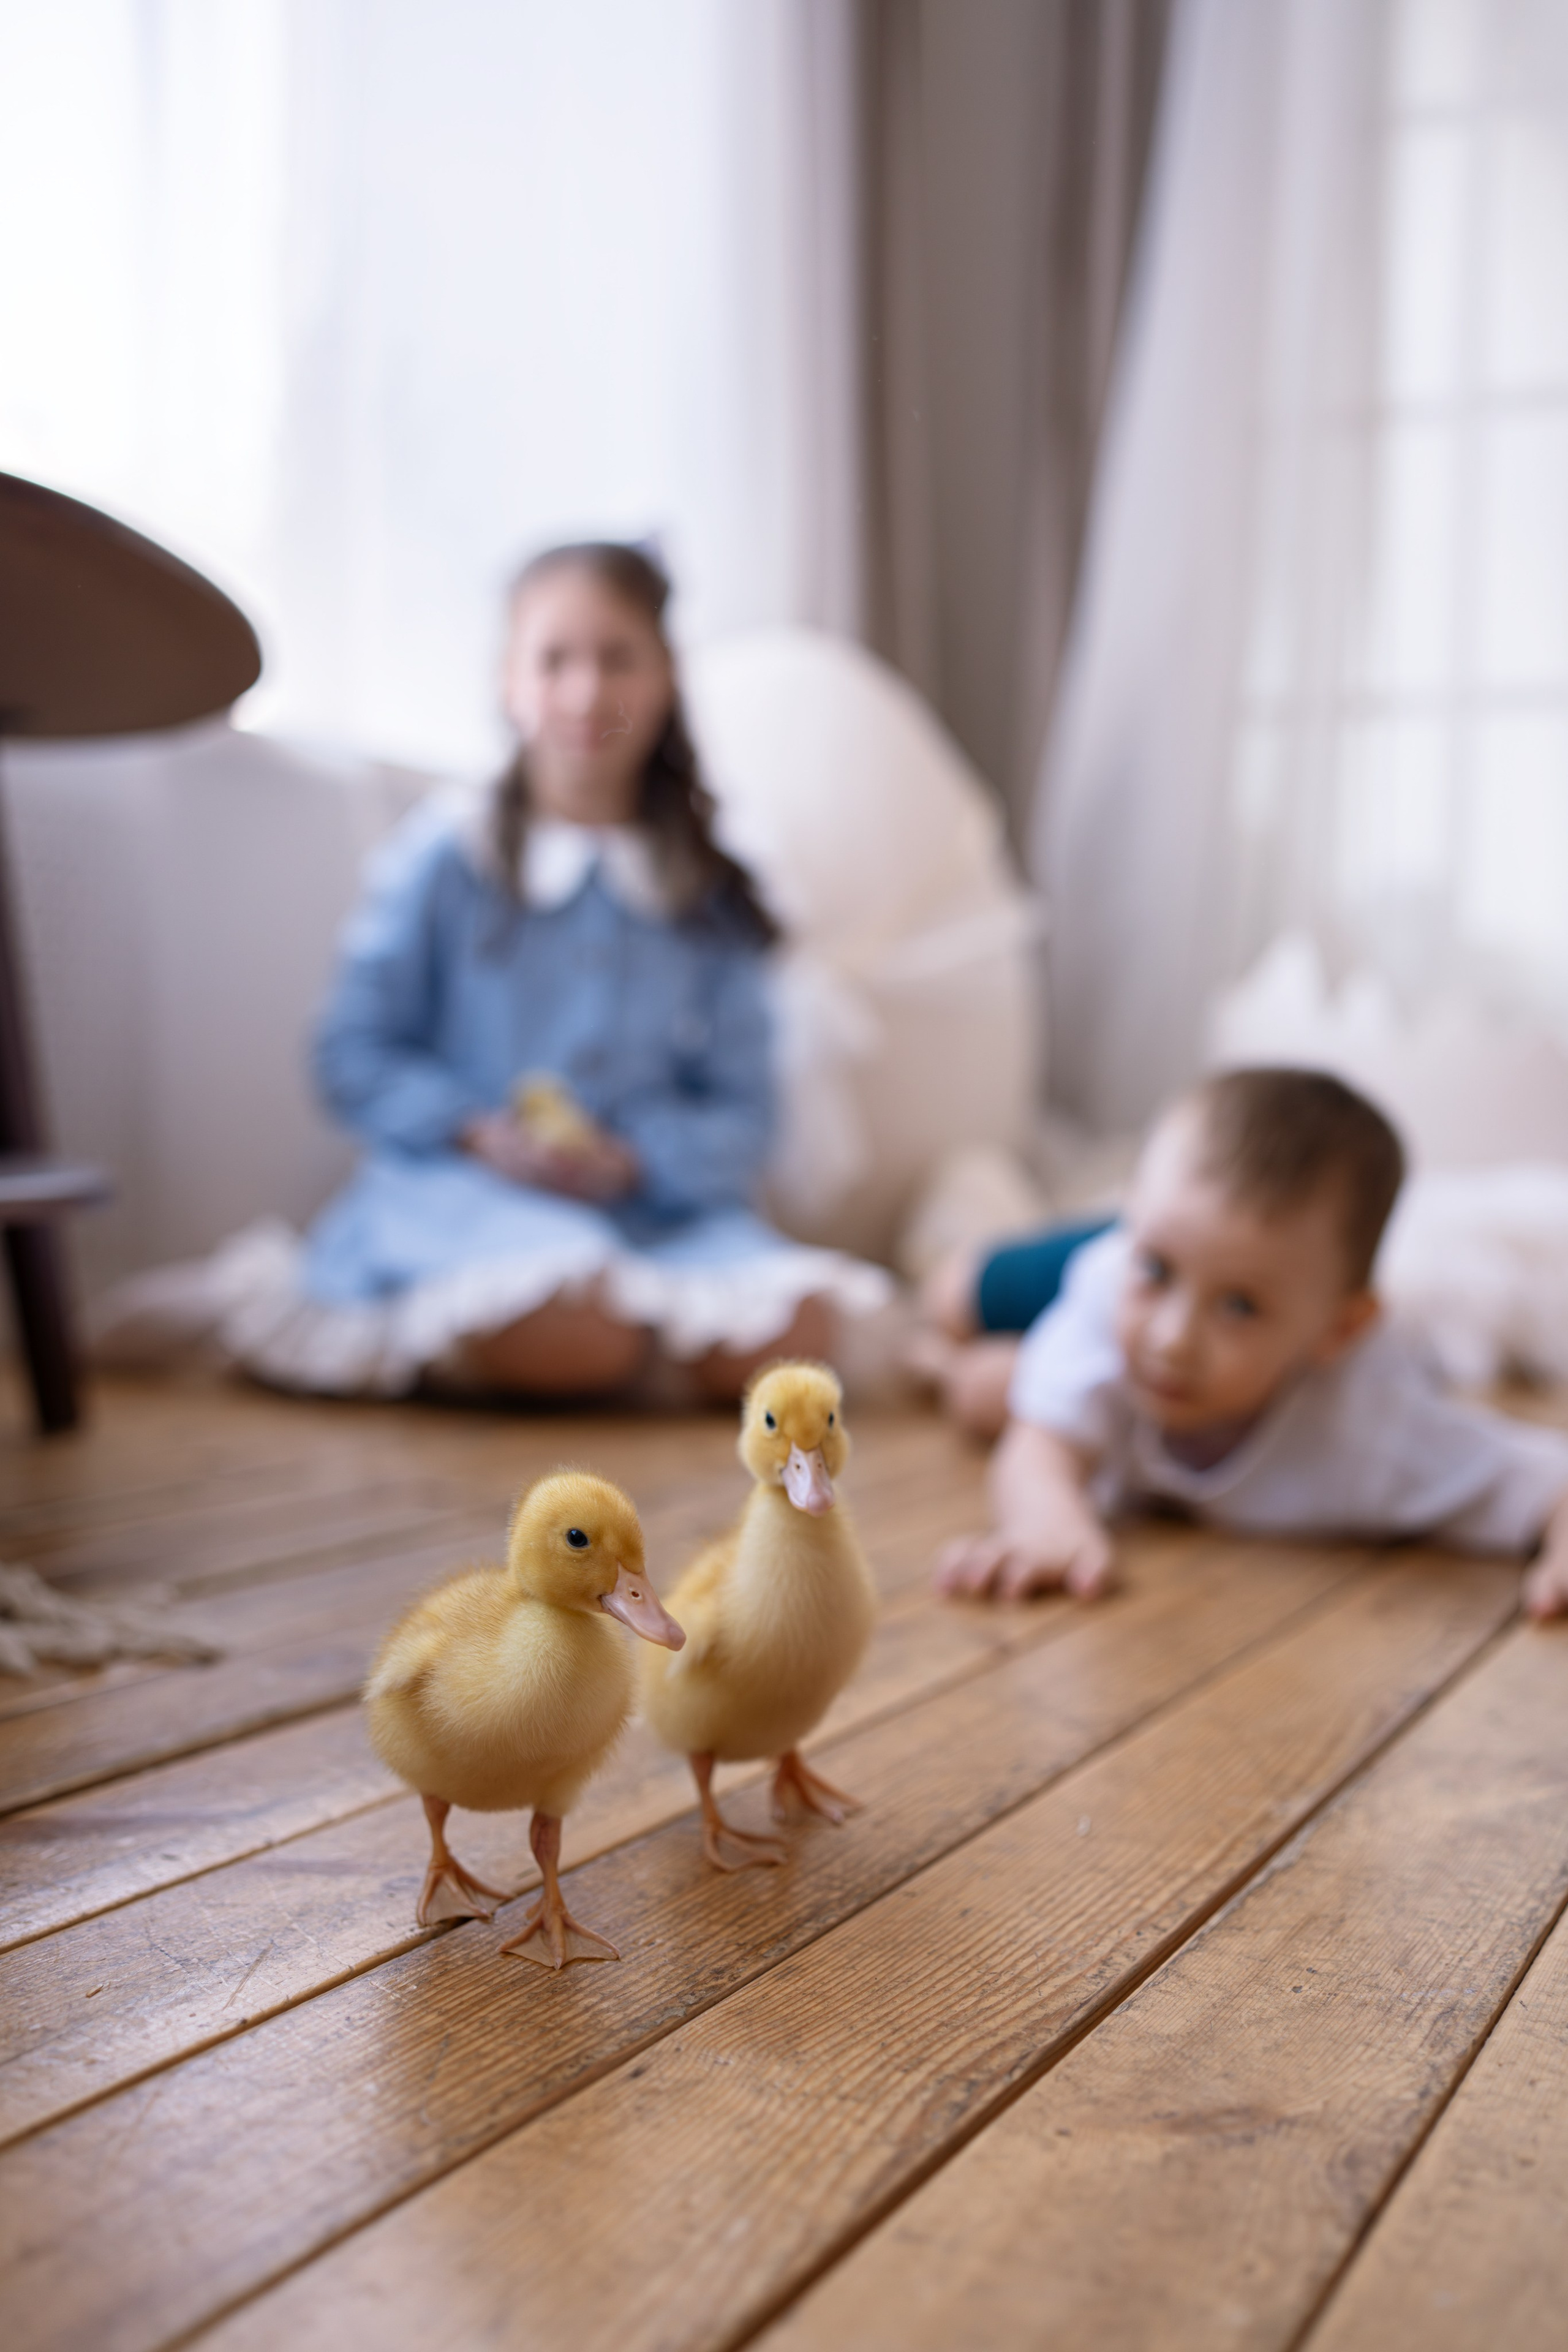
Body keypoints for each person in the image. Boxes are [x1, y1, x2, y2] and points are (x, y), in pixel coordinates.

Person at [297, 540, 887, 1401]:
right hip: (466, 1198)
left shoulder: (708, 894)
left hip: (660, 1214)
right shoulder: (446, 858)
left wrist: (637, 1160)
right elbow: (351, 1052)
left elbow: (744, 1113)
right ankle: (585, 1351)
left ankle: (625, 1348)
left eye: (618, 659)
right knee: (571, 1321)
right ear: (508, 681)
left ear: (666, 677)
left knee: (798, 1333)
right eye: (554, 661)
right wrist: (477, 1133)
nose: (585, 693)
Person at [935, 1067, 1568, 1620]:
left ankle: (997, 1358)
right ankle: (957, 1336)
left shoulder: (1373, 1432)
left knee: (994, 1389)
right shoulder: (1111, 1291)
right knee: (957, 1317)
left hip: (1168, 1248)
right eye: (1158, 1272)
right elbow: (1040, 1448)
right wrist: (1048, 1525)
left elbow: (1546, 1481)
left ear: (1339, 1330)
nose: (1173, 1341)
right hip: (1111, 1260)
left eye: (1240, 1307)